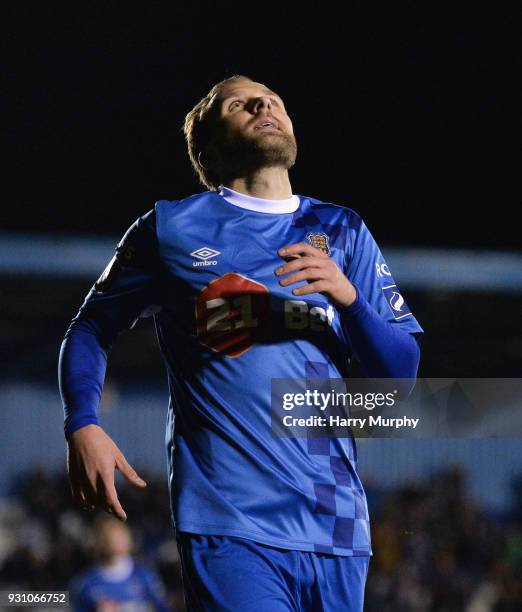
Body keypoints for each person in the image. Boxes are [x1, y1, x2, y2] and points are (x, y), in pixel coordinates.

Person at [59, 74, 423, 611]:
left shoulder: (342, 229)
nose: (263, 103)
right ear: (206, 149)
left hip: (338, 526)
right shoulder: (171, 228)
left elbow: (402, 377)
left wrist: (350, 300)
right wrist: (82, 422)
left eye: (273, 98)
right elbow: (91, 327)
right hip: (231, 520)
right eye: (238, 103)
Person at [69, 515, 170, 611]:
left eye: (119, 536)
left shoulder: (145, 576)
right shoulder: (86, 583)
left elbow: (162, 607)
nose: (115, 541)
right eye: (108, 537)